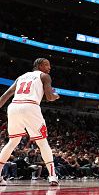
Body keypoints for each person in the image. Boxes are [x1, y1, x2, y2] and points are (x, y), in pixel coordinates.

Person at [0, 58, 60, 186]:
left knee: (12, 142)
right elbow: (49, 97)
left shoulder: (21, 77)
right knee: (42, 142)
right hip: (30, 106)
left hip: (14, 106)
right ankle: (53, 176)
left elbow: (6, 95)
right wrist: (55, 96)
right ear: (38, 65)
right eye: (46, 65)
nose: (49, 68)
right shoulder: (45, 76)